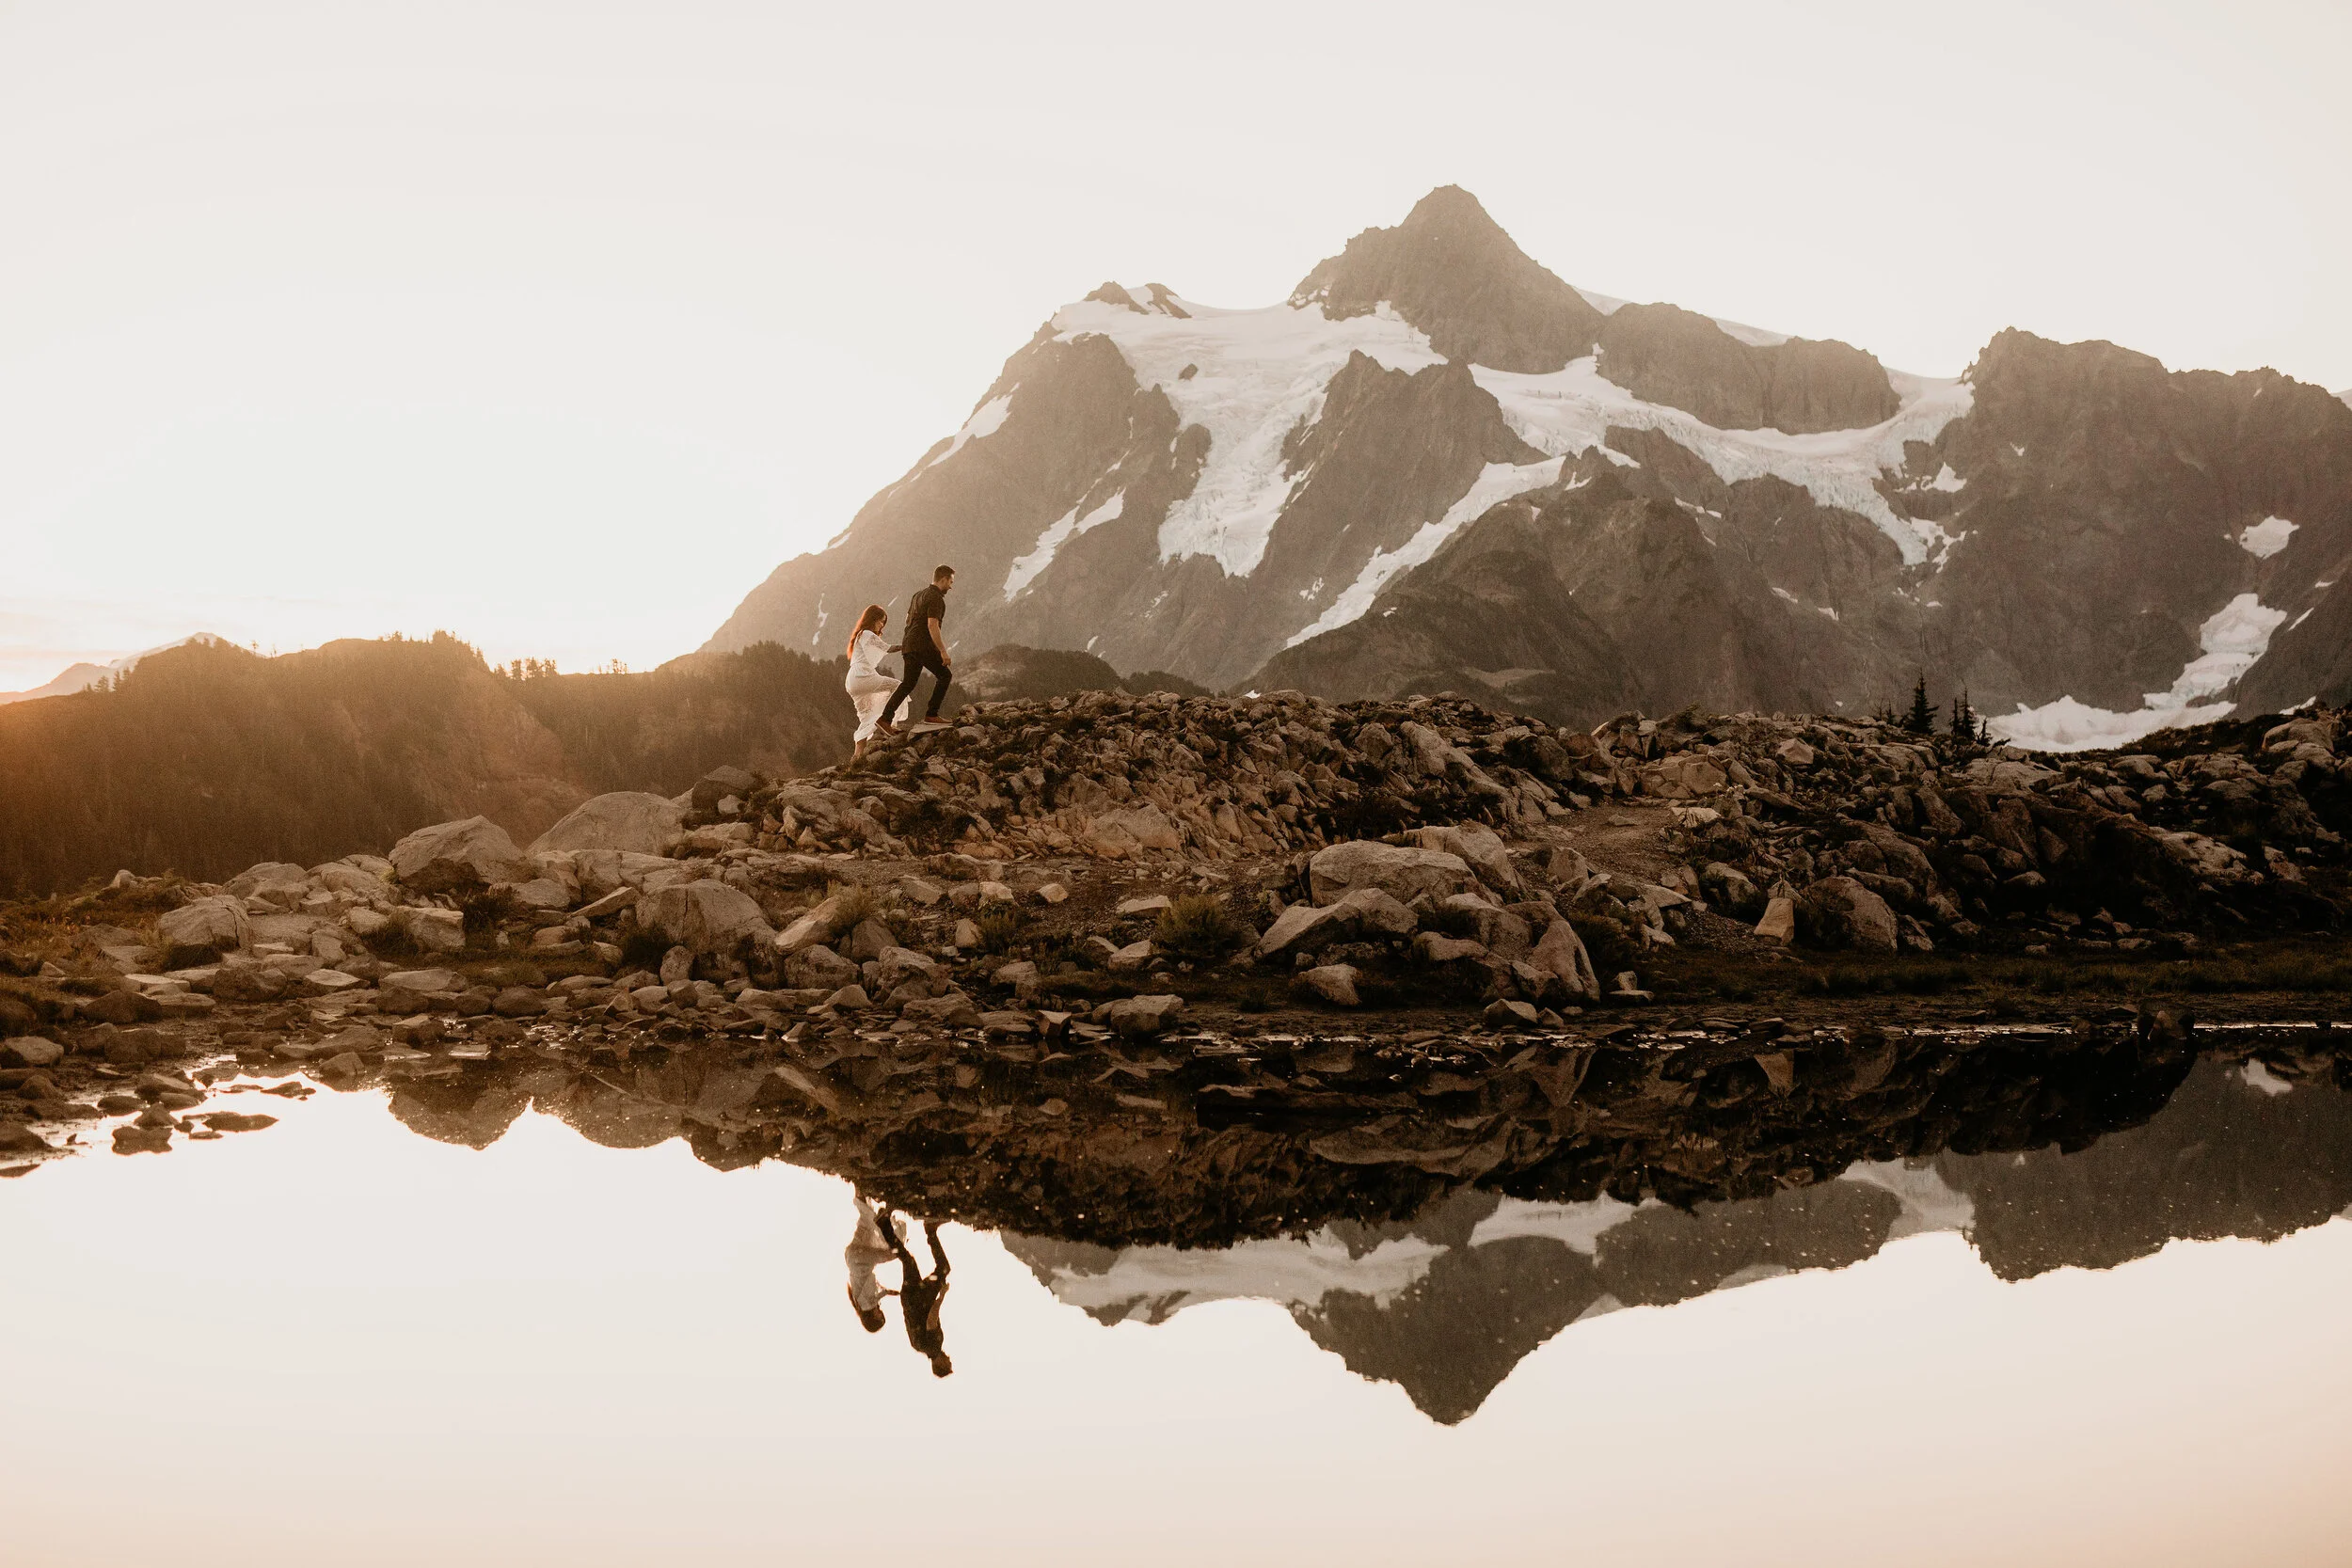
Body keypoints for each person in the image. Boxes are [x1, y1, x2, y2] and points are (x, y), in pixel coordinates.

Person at [877, 564, 955, 730]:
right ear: (943, 579)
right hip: (922, 645)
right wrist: (942, 652)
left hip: (909, 644)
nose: (951, 586)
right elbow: (932, 625)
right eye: (950, 581)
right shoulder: (936, 598)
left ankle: (885, 719)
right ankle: (932, 715)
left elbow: (907, 620)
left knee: (908, 683)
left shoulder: (917, 595)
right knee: (945, 676)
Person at [878, 1205, 953, 1377]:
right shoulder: (918, 1347)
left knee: (943, 1269)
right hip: (910, 1297)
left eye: (948, 1363)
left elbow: (931, 1320)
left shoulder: (934, 1345)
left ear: (940, 1364)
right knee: (907, 1260)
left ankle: (930, 1230)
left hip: (921, 1297)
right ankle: (884, 1224)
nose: (949, 1359)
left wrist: (941, 1296)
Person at [842, 605, 900, 761]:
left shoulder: (860, 634)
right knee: (899, 687)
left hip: (853, 679)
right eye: (881, 621)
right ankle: (888, 723)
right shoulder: (867, 633)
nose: (882, 625)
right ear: (873, 619)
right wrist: (908, 646)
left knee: (866, 717)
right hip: (863, 675)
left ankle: (857, 756)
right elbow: (887, 648)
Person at [844, 1193, 898, 1333]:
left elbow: (873, 1289)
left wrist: (887, 1293)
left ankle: (886, 1215)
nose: (880, 1312)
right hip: (852, 1258)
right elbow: (876, 1292)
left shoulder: (867, 1305)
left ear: (874, 1318)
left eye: (880, 1316)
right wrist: (889, 1292)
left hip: (861, 1262)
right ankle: (860, 1191)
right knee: (866, 1222)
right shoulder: (860, 1305)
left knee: (891, 1253)